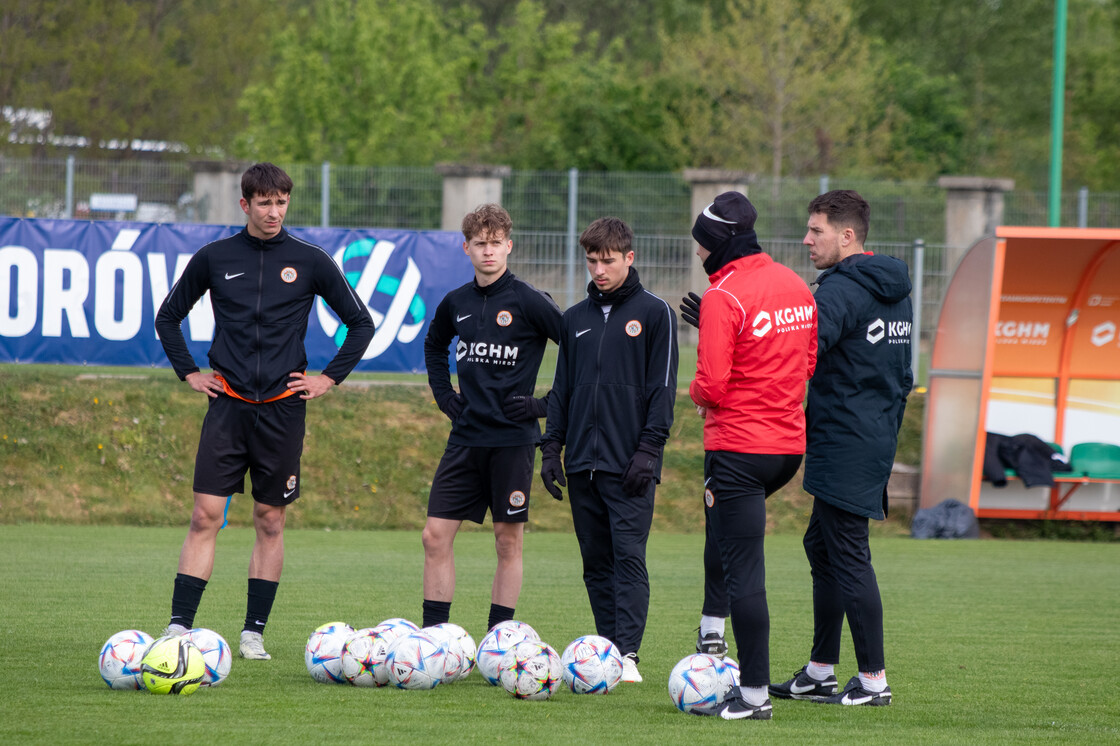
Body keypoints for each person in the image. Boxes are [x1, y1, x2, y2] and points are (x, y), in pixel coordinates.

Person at [154, 162, 375, 660]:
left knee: (270, 519)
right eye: (264, 203)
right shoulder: (214, 257)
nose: (274, 212)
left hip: (282, 410)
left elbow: (361, 324)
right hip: (227, 406)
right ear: (245, 205)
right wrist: (188, 371)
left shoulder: (311, 260)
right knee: (205, 515)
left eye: (281, 202)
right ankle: (178, 627)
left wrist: (328, 377)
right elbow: (168, 318)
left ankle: (253, 633)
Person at [768, 189, 912, 706]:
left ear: (846, 236)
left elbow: (796, 353)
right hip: (871, 435)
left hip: (845, 439)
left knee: (848, 555)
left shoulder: (839, 292)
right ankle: (819, 672)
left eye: (817, 231)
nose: (807, 240)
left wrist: (734, 334)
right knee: (822, 547)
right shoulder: (893, 286)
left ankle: (873, 682)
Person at [678, 192, 817, 720]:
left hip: (739, 448)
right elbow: (806, 362)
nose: (697, 255)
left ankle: (753, 695)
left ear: (716, 244)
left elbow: (711, 386)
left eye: (700, 246)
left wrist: (696, 392)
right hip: (786, 448)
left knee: (745, 572)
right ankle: (712, 628)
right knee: (726, 540)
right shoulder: (795, 284)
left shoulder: (723, 296)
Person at [540, 217, 678, 684]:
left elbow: (662, 390)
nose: (599, 270)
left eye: (609, 261)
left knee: (628, 557)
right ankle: (606, 653)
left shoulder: (656, 313)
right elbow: (562, 390)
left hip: (631, 463)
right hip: (582, 462)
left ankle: (630, 655)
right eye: (592, 261)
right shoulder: (573, 318)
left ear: (629, 258)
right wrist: (550, 448)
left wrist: (649, 450)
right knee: (595, 562)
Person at [421, 204, 562, 633]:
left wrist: (544, 405)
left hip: (513, 441)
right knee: (434, 536)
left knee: (507, 541)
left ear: (509, 247)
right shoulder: (456, 302)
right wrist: (445, 395)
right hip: (465, 438)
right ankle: (435, 639)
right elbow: (433, 345)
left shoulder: (529, 301)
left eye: (496, 243)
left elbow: (579, 351)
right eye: (480, 244)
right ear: (466, 248)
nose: (488, 252)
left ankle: (496, 642)